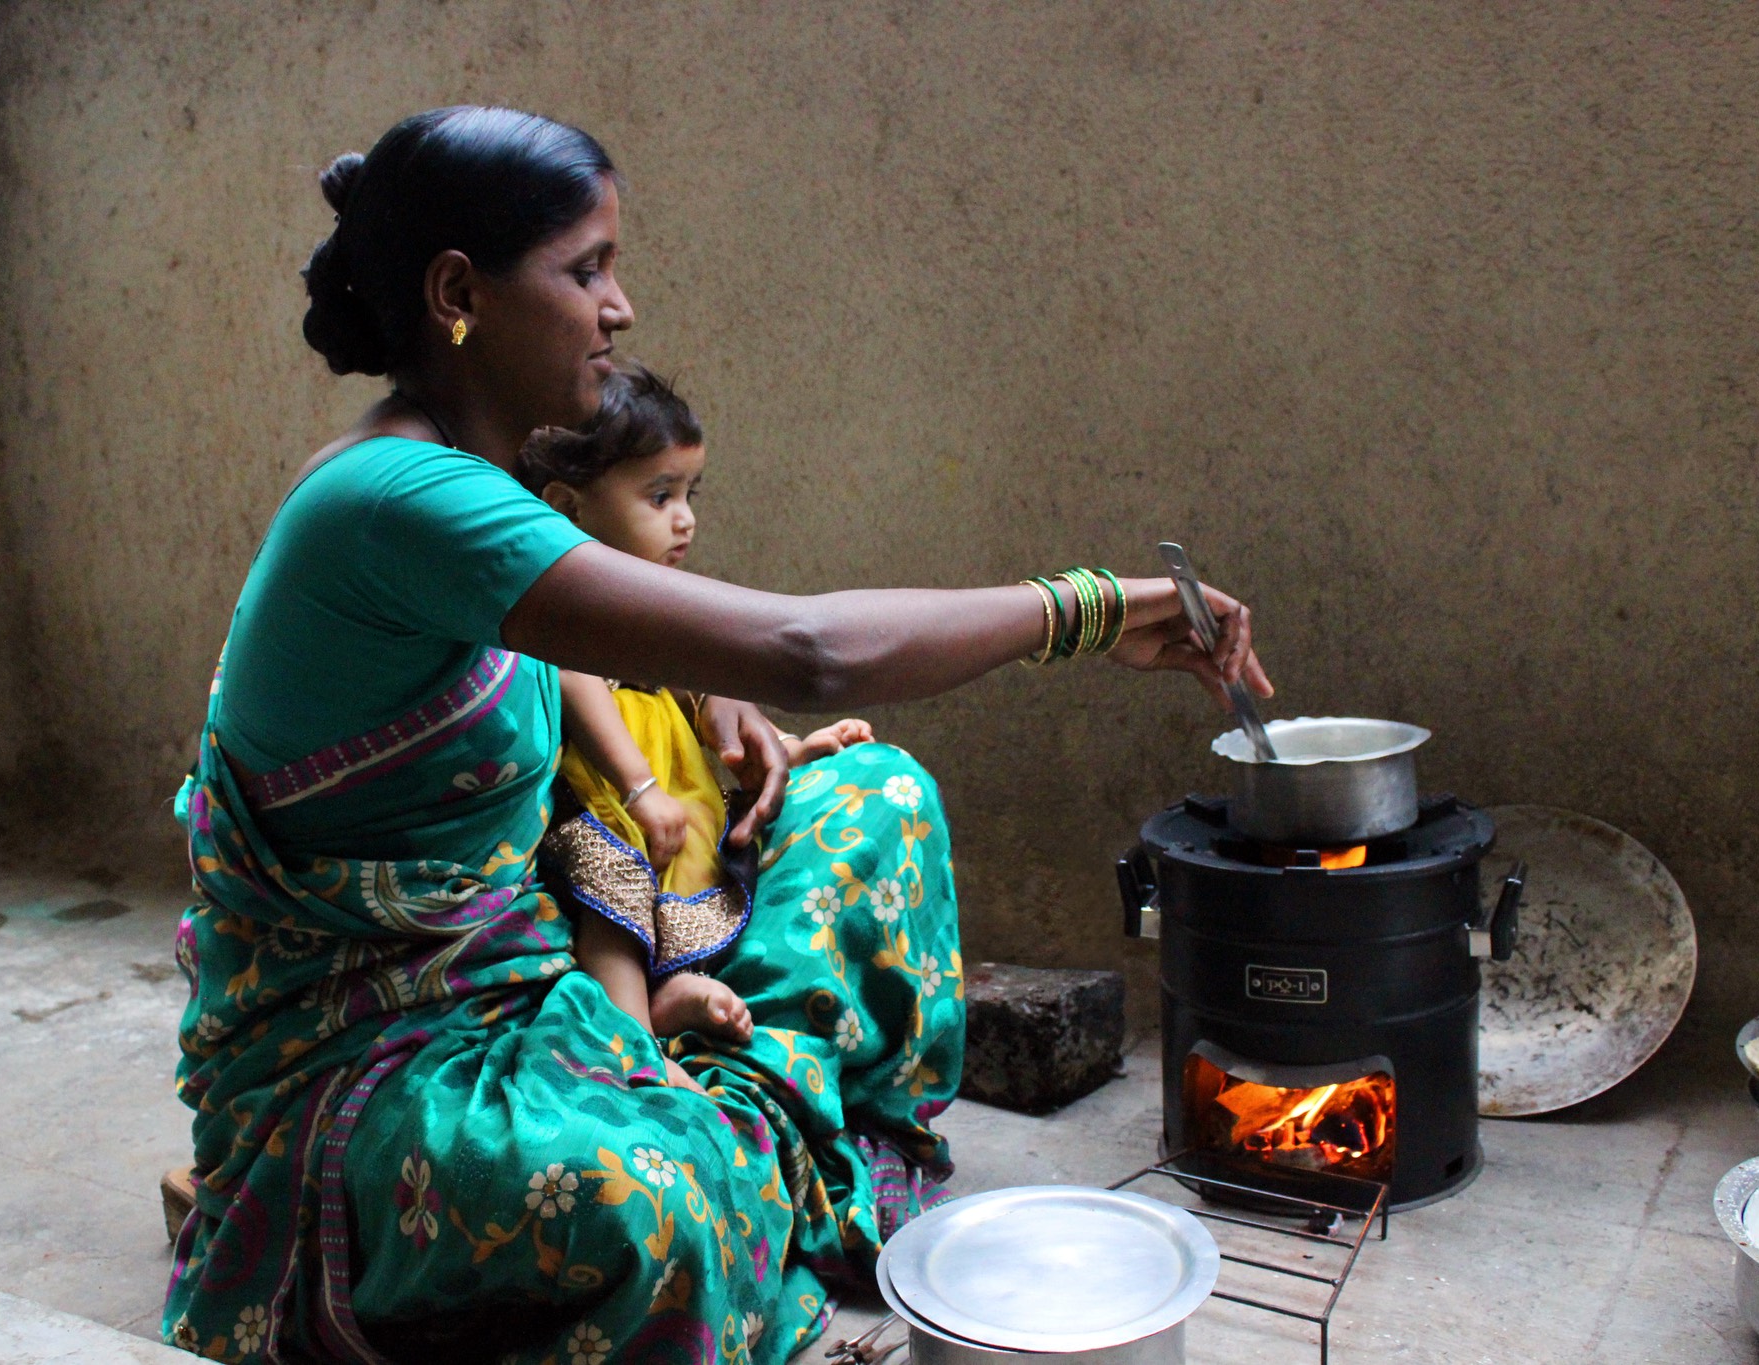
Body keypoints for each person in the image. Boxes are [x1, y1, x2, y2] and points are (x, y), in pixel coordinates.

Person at [165, 105, 1270, 1365]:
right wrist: (1082, 608)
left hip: (533, 961)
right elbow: (810, 647)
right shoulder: (395, 501)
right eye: (585, 270)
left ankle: (730, 1117)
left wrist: (709, 697)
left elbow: (637, 647)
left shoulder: (481, 479)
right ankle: (752, 1146)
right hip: (378, 1053)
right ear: (458, 292)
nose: (618, 306)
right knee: (653, 1206)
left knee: (877, 800)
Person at [516, 365, 879, 1098]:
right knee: (612, 896)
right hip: (603, 802)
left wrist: (789, 748)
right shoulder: (564, 607)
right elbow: (573, 681)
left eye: (688, 494)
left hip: (678, 803)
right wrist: (639, 786)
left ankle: (676, 990)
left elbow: (704, 709)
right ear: (567, 507)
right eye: (659, 497)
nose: (685, 519)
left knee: (696, 893)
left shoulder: (656, 604)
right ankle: (635, 1044)